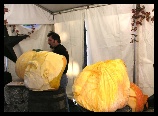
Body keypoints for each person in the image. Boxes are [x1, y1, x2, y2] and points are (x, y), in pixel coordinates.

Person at [47, 31, 70, 112]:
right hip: (60, 77)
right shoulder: (59, 49)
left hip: (60, 78)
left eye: (50, 40)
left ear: (55, 40)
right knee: (61, 97)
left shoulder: (59, 51)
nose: (48, 42)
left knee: (61, 98)